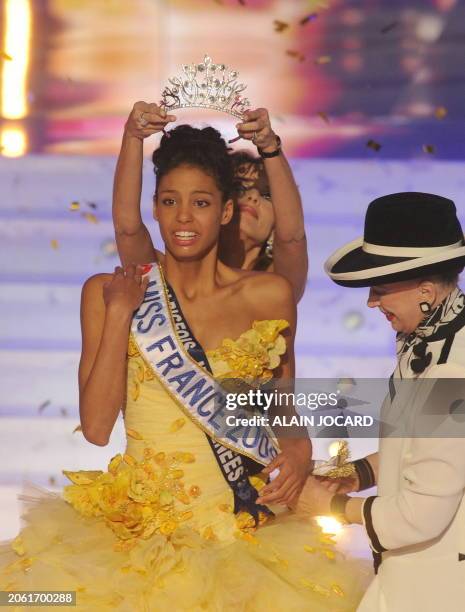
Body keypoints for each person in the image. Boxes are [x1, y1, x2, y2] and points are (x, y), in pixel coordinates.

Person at [0, 126, 368, 611]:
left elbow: (281, 402)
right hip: (136, 541)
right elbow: (94, 427)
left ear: (226, 210)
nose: (183, 217)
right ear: (154, 209)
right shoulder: (112, 292)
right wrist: (118, 315)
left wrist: (299, 450)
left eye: (200, 202)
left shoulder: (268, 296)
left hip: (246, 533)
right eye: (170, 202)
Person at [292, 192, 465, 611]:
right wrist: (357, 473)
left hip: (438, 590)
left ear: (425, 291)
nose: (372, 302)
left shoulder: (450, 369)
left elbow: (419, 515)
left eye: (381, 289)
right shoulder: (428, 341)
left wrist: (331, 505)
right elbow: (420, 451)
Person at [113, 102, 308, 302]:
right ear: (224, 208)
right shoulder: (156, 279)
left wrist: (270, 148)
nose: (253, 197)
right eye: (241, 189)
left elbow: (292, 238)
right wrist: (133, 136)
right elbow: (127, 229)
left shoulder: (275, 289)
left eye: (266, 194)